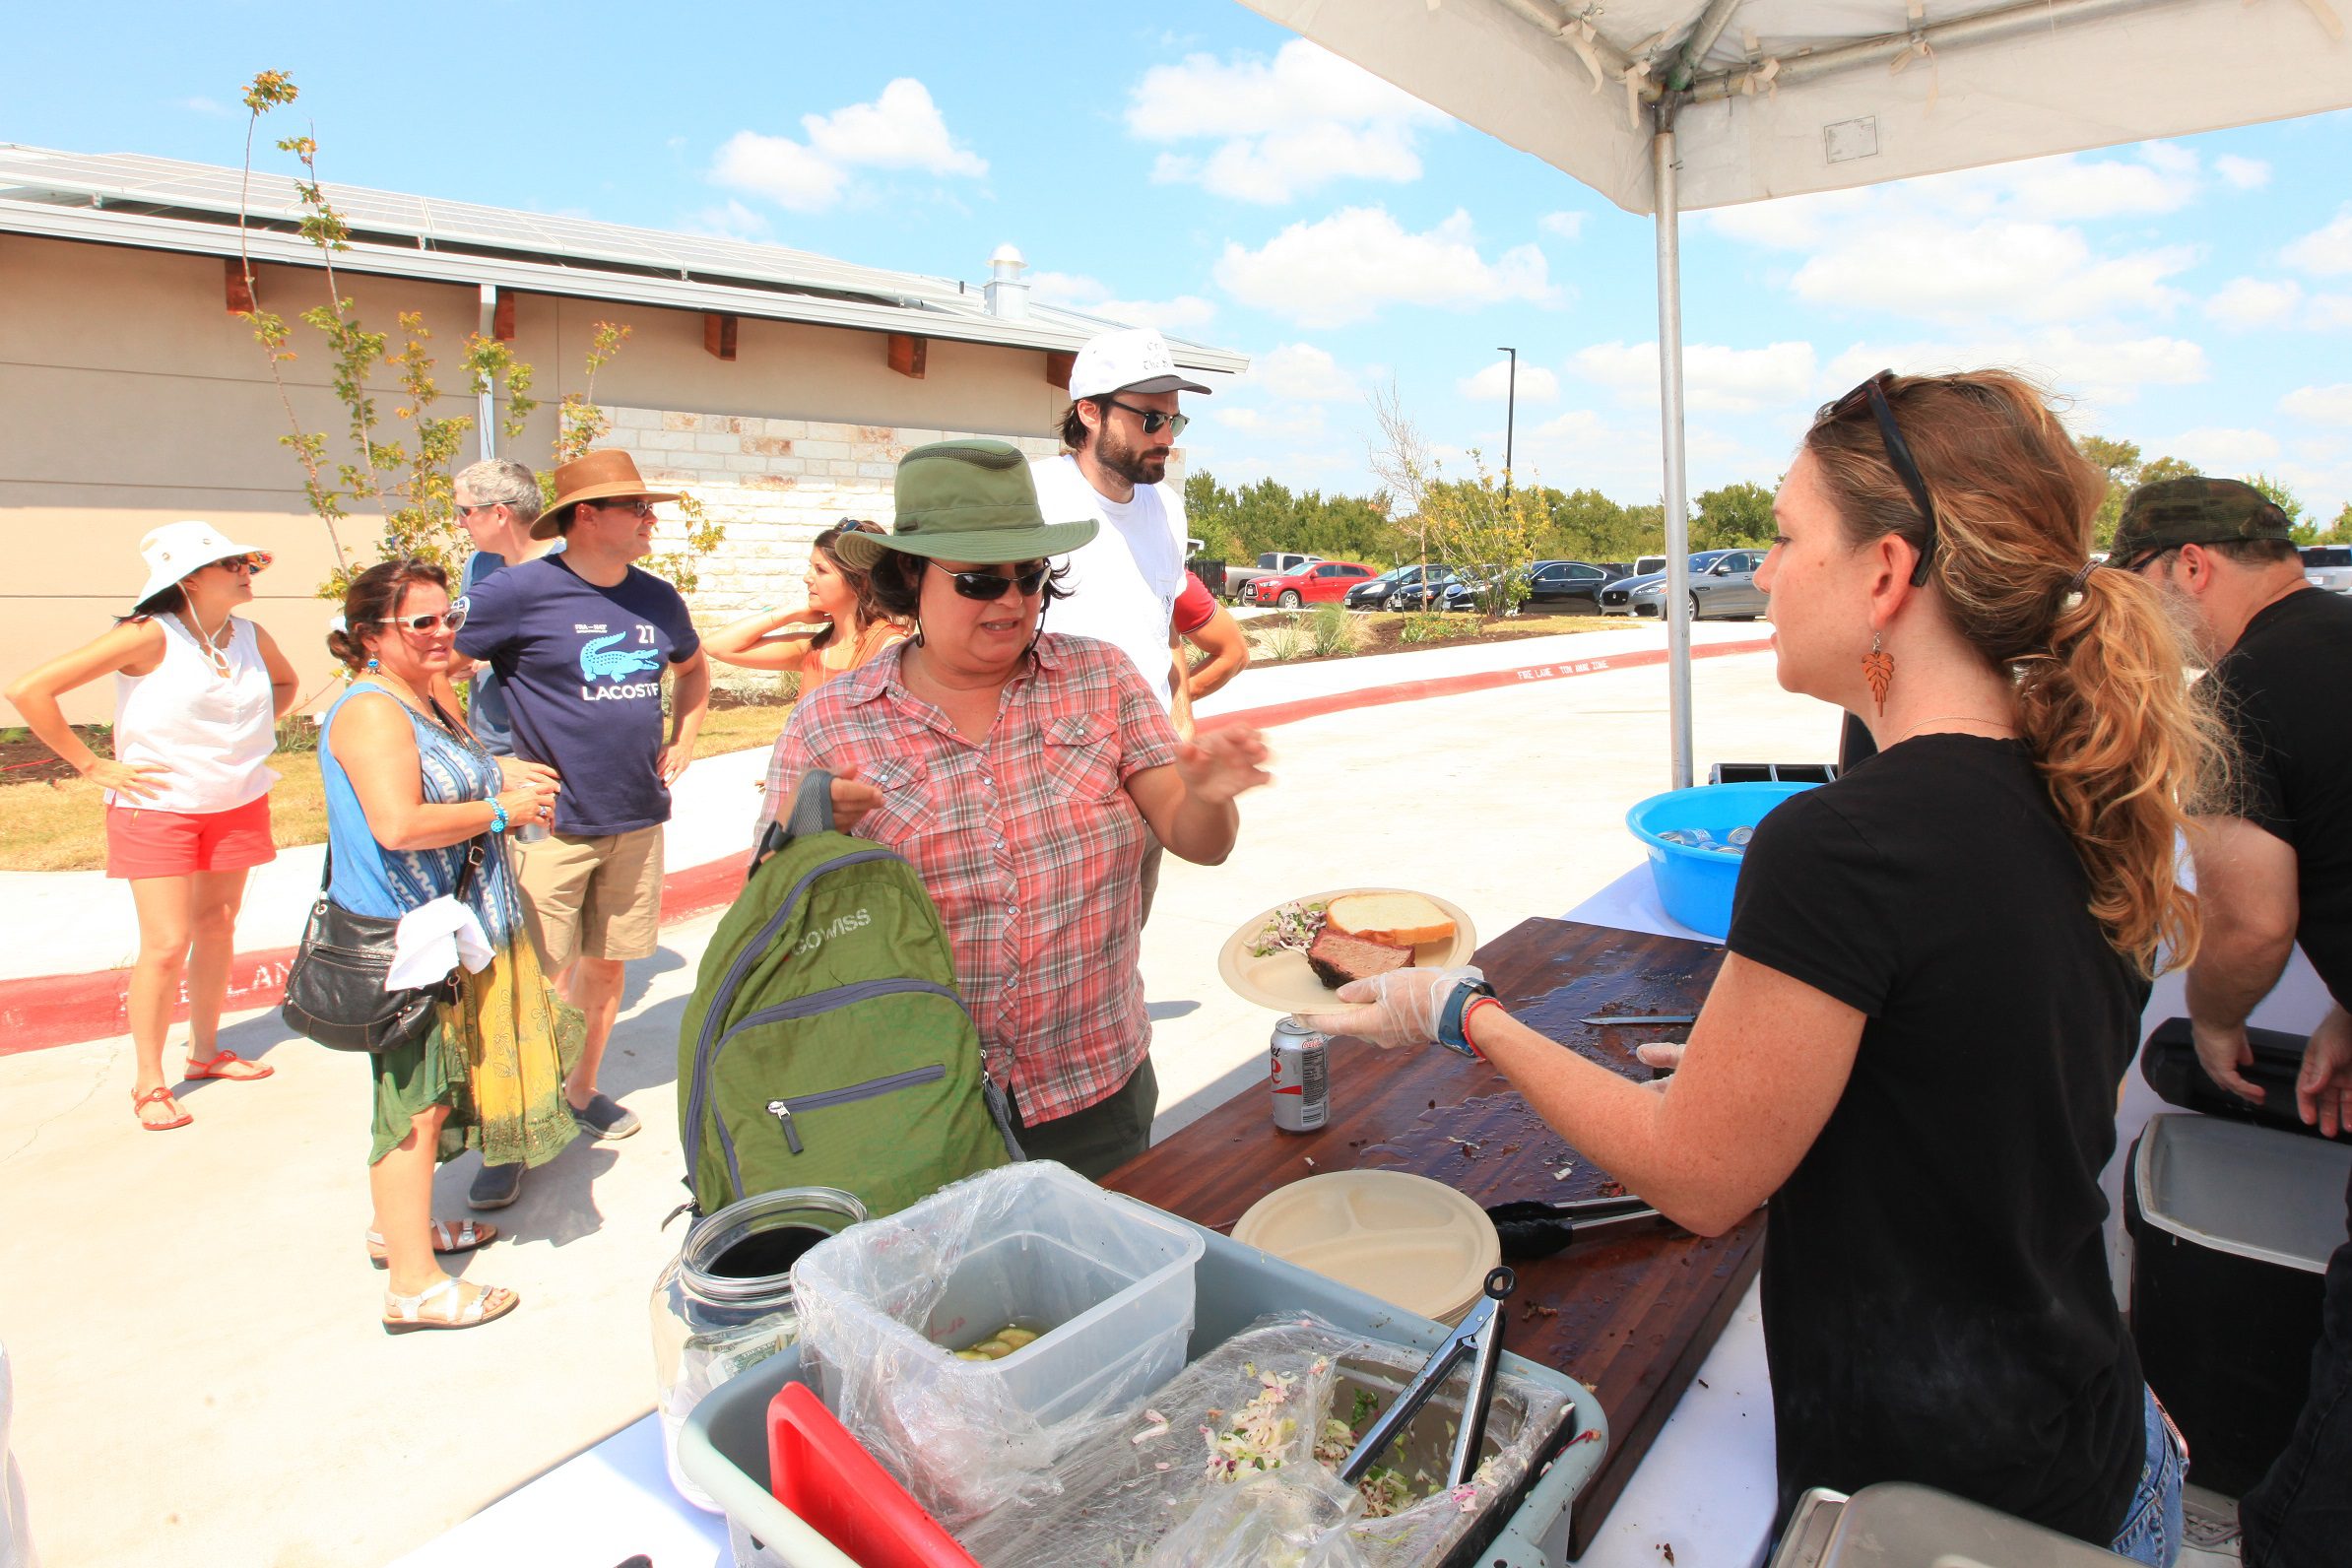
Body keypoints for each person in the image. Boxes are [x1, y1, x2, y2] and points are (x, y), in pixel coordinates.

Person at [1305, 370, 2228, 1565]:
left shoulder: (1842, 843)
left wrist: (1463, 1010)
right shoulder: (2079, 785)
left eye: (1790, 537)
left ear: (1888, 573)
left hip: (1941, 1519)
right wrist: (1831, 1075)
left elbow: (1696, 1180)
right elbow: (2017, 1083)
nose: (1769, 571)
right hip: (2099, 1456)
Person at [763, 439, 1272, 1179]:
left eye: (1030, 577)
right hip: (917, 1102)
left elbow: (1198, 839)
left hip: (1094, 1091)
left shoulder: (1101, 681)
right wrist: (811, 826)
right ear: (910, 575)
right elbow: (771, 907)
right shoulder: (833, 721)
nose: (1012, 603)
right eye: (978, 582)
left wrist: (1208, 794)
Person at [2116, 476, 2352, 1568]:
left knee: (2316, 1507)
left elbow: (2252, 922)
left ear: (2191, 568)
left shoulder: (2237, 694)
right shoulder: (2342, 637)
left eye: (2141, 593)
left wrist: (2213, 1025)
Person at [321, 558, 573, 1331]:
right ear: (370, 636)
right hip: (411, 942)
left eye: (448, 618)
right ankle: (414, 1286)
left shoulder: (424, 693)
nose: (444, 635)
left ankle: (397, 1233)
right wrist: (501, 810)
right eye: (420, 623)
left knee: (434, 1096)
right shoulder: (371, 710)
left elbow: (456, 771)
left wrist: (504, 775)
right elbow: (396, 824)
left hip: (456, 934)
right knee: (414, 1106)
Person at [454, 450, 710, 1149]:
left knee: (606, 966)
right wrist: (491, 764)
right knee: (528, 981)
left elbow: (694, 668)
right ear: (586, 517)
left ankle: (578, 1089)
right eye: (636, 508)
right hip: (551, 827)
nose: (650, 518)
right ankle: (508, 1125)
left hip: (636, 817)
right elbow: (426, 668)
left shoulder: (656, 597)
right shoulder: (517, 591)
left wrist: (685, 735)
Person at [6, 522, 299, 1131]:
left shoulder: (248, 634)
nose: (248, 571)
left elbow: (286, 683)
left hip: (237, 799)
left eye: (249, 562)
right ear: (189, 578)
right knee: (165, 945)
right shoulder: (145, 635)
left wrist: (240, 739)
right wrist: (91, 765)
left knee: (218, 926)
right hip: (158, 806)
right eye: (232, 564)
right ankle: (148, 1081)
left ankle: (205, 1052)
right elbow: (30, 689)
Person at [1029, 326, 1210, 710]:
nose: (1167, 438)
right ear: (1090, 412)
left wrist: (1181, 729)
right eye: (1151, 419)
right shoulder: (1033, 499)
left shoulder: (1166, 507)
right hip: (1063, 759)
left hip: (1153, 758)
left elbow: (1165, 632)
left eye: (1174, 421)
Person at [703, 519, 906, 699]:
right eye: (810, 567)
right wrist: (791, 613)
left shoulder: (888, 647)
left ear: (860, 581)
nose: (807, 578)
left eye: (821, 570)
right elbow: (717, 646)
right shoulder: (812, 649)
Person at [445, 457, 553, 761]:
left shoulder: (568, 569)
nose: (458, 522)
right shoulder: (479, 564)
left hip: (545, 751)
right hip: (490, 746)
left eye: (464, 511)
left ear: (500, 513)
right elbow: (462, 642)